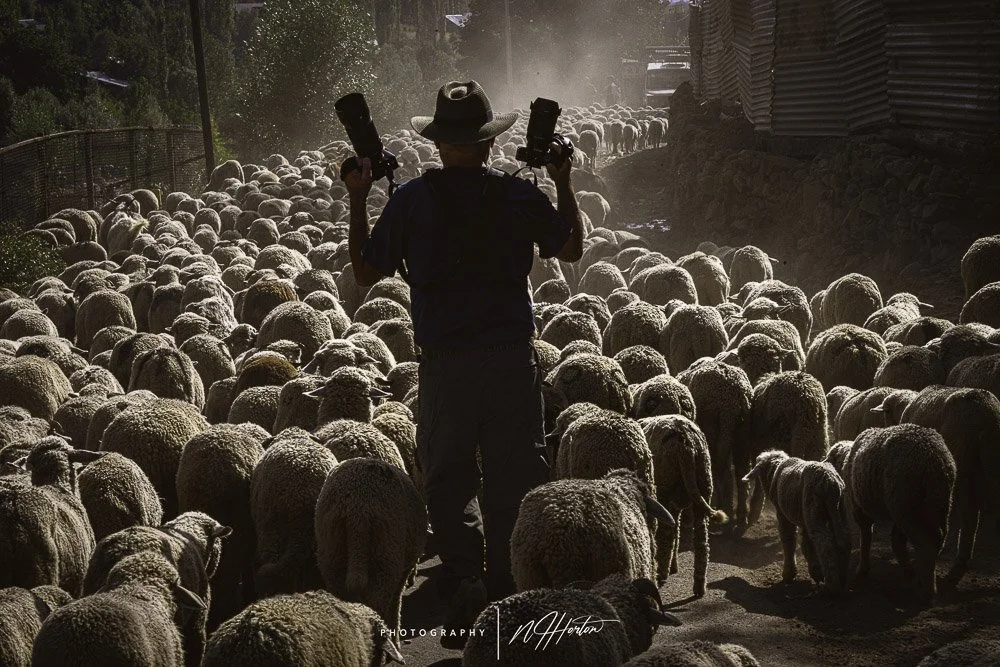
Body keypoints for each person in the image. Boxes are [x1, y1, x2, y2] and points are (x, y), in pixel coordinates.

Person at [343, 81, 584, 648]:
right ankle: (508, 588)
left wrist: (357, 197)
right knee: (514, 474)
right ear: (490, 143)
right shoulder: (518, 195)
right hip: (509, 362)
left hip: (446, 365)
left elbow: (366, 271)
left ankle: (465, 577)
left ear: (439, 143)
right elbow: (571, 249)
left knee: (448, 477)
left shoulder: (411, 200)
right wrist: (563, 181)